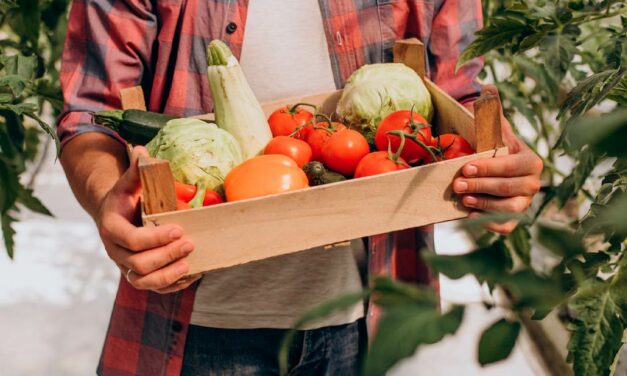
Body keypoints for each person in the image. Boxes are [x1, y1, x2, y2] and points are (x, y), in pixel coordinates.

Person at [58, 1, 543, 375]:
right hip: (196, 326)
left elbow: (457, 97)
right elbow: (90, 114)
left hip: (367, 317)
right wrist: (108, 199)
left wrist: (501, 165)